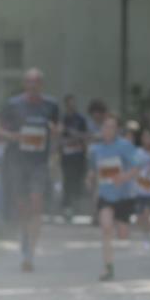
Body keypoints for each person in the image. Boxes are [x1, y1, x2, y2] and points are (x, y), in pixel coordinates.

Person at [0, 68, 60, 271]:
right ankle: (24, 238)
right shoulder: (14, 105)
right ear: (25, 84)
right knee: (23, 206)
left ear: (41, 85)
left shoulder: (51, 105)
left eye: (37, 82)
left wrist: (55, 143)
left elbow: (57, 130)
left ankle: (30, 252)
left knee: (37, 201)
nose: (33, 86)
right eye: (29, 82)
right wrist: (14, 137)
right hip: (17, 161)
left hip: (39, 162)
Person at [87, 113, 137, 281]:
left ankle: (124, 230)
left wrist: (124, 176)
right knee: (106, 228)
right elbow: (94, 170)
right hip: (105, 195)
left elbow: (139, 165)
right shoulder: (96, 150)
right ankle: (108, 267)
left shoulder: (125, 146)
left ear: (117, 130)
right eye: (105, 126)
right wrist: (90, 177)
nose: (107, 130)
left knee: (123, 234)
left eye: (111, 127)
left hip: (123, 196)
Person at [59, 93, 88, 222]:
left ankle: (75, 205)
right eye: (69, 103)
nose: (71, 105)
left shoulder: (80, 119)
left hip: (78, 155)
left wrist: (75, 135)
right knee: (67, 180)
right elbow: (59, 137)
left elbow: (85, 136)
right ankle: (67, 207)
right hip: (66, 155)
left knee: (77, 180)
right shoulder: (62, 119)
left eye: (73, 102)